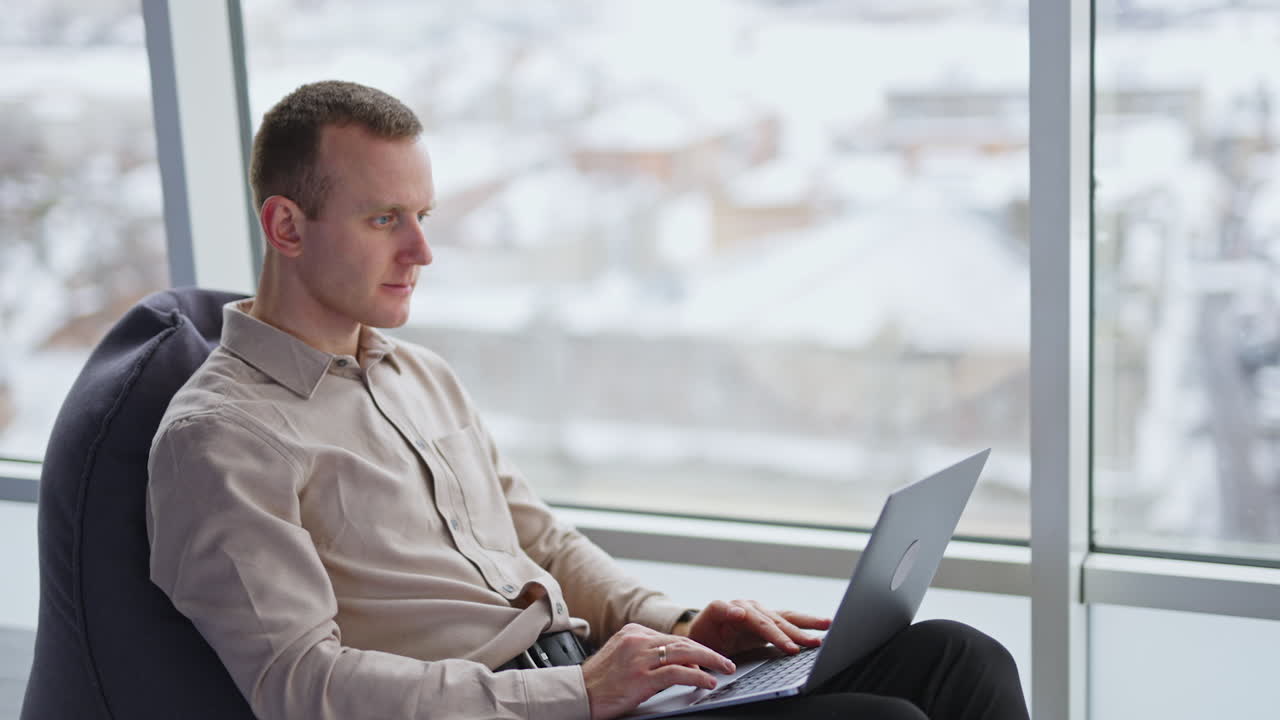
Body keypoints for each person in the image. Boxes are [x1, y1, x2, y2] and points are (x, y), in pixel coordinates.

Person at [146, 80, 1029, 720]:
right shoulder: (221, 438)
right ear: (287, 226)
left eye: (425, 216)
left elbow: (543, 544)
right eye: (385, 220)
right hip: (538, 710)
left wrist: (678, 623)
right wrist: (582, 690)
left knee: (958, 657)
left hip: (591, 685)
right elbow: (302, 687)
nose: (422, 250)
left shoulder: (419, 377)